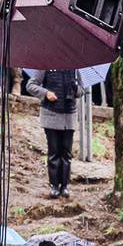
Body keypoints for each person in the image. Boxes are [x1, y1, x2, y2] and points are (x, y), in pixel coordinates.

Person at [27, 68, 80, 199]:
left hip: (69, 115)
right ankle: (54, 186)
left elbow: (82, 90)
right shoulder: (46, 66)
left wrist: (76, 89)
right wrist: (46, 93)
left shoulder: (75, 68)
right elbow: (30, 85)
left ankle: (65, 186)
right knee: (54, 151)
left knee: (67, 153)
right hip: (51, 115)